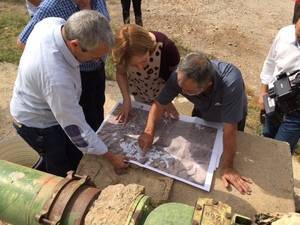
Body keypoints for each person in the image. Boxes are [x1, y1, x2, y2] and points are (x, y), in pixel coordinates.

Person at [10, 10, 128, 177]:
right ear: (74, 45)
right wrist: (111, 157)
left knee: (70, 150)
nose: (97, 61)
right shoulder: (56, 79)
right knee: (60, 169)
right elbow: (76, 128)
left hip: (42, 102)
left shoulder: (52, 23)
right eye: (95, 56)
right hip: (38, 124)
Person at [138, 52, 252, 195]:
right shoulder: (181, 77)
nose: (182, 91)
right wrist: (148, 131)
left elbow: (229, 130)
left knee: (234, 143)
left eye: (189, 91)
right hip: (203, 110)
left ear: (208, 84)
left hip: (231, 115)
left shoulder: (231, 83)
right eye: (181, 87)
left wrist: (228, 166)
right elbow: (159, 104)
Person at [17, 0, 110, 132]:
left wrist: (97, 57)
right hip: (75, 75)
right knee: (80, 122)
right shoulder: (51, 7)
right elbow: (23, 42)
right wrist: (57, 63)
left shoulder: (99, 1)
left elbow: (105, 29)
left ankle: (97, 140)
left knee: (97, 110)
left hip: (97, 70)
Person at [112, 24, 180, 123]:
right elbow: (121, 73)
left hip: (163, 93)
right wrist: (126, 99)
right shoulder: (123, 53)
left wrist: (166, 99)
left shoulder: (168, 49)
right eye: (133, 65)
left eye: (144, 61)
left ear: (149, 47)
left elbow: (175, 80)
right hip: (139, 91)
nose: (140, 68)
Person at [258, 17, 300, 153]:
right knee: (264, 141)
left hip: (296, 115)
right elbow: (270, 62)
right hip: (273, 100)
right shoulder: (285, 34)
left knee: (280, 153)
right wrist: (262, 92)